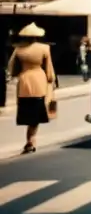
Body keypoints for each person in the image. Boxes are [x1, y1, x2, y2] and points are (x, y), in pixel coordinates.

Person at [6, 22, 57, 155]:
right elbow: (49, 70)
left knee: (27, 112)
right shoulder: (45, 48)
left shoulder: (18, 49)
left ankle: (29, 139)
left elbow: (12, 68)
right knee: (36, 113)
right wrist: (51, 80)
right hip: (39, 81)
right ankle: (32, 139)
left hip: (24, 82)